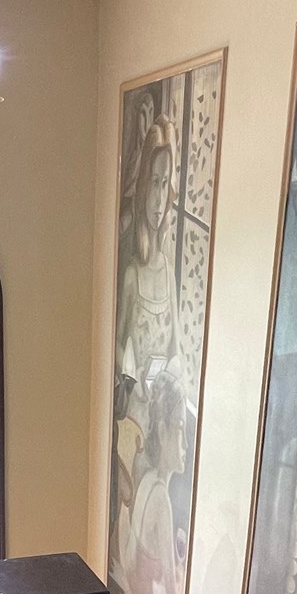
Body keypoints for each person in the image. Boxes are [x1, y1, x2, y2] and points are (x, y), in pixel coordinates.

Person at [116, 114, 180, 437]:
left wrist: (167, 374)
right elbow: (116, 343)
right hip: (135, 415)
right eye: (154, 183)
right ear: (144, 187)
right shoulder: (131, 275)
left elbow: (177, 350)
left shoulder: (169, 274)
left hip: (161, 413)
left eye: (165, 183)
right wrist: (133, 373)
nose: (158, 199)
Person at [122, 365, 188, 594]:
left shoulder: (148, 481)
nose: (186, 445)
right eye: (181, 429)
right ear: (162, 432)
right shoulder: (161, 499)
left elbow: (129, 563)